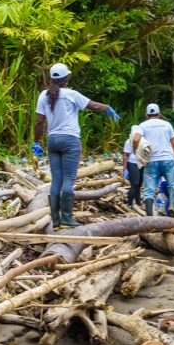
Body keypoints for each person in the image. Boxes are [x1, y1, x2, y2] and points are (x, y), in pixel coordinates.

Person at [33, 63, 119, 228]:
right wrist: (107, 108)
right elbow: (94, 106)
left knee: (56, 180)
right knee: (68, 180)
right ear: (66, 78)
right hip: (70, 140)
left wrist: (36, 142)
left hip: (53, 141)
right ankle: (66, 218)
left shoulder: (43, 95)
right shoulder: (72, 94)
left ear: (52, 79)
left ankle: (56, 221)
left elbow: (39, 121)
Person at [133, 104, 174, 217]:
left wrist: (137, 153)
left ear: (146, 115)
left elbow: (136, 140)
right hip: (167, 160)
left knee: (149, 190)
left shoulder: (142, 126)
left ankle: (149, 215)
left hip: (151, 161)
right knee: (173, 185)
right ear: (159, 114)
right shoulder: (167, 125)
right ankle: (172, 205)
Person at [123, 124, 144, 209]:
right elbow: (126, 155)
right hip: (132, 163)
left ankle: (138, 201)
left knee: (139, 184)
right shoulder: (128, 142)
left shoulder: (143, 141)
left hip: (141, 163)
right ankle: (130, 203)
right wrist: (125, 168)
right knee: (134, 184)